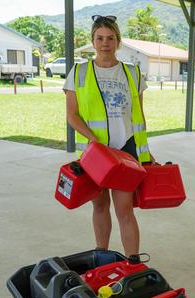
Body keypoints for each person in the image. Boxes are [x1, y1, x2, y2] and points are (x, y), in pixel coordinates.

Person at [63, 14, 154, 257]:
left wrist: (146, 152)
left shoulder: (132, 73)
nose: (105, 43)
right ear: (92, 41)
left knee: (124, 209)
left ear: (118, 41)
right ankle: (101, 256)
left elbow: (139, 116)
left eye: (110, 38)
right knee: (100, 205)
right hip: (97, 153)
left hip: (126, 150)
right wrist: (94, 141)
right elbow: (72, 115)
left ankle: (133, 262)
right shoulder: (79, 72)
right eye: (100, 38)